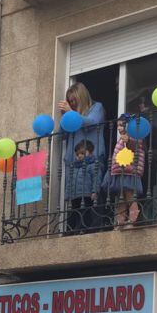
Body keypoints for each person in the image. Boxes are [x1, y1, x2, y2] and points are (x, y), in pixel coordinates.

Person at [58, 82, 106, 231]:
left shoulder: (96, 107)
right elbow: (62, 135)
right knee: (76, 200)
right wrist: (65, 117)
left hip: (92, 161)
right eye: (69, 101)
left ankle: (93, 229)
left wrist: (72, 114)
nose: (72, 104)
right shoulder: (72, 115)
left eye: (74, 100)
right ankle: (76, 229)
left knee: (92, 197)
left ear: (81, 97)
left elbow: (92, 122)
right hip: (74, 164)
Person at [102, 114, 146, 229]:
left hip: (129, 171)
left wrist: (128, 140)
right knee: (120, 198)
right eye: (118, 125)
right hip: (120, 171)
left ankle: (132, 220)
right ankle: (120, 222)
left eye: (122, 125)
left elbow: (134, 146)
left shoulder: (135, 137)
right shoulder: (122, 138)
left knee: (130, 196)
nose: (119, 128)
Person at [65, 140, 103, 234]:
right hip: (75, 195)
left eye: (82, 153)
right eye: (77, 154)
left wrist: (95, 191)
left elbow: (96, 179)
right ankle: (75, 229)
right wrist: (67, 195)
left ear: (90, 152)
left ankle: (84, 229)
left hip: (86, 194)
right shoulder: (74, 167)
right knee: (75, 212)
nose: (80, 156)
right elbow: (69, 182)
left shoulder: (93, 165)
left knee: (85, 212)